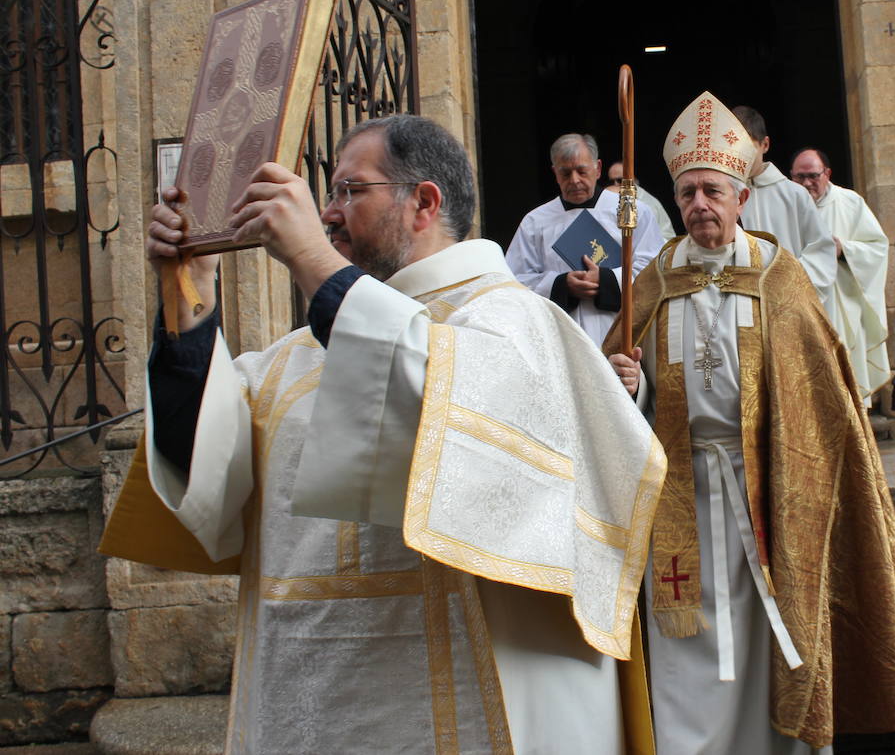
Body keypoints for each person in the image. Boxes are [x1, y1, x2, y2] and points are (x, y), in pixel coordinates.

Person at [104, 115, 665, 754]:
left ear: (424, 202)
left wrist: (311, 258)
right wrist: (189, 293)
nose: (328, 213)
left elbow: (437, 405)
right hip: (309, 707)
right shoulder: (291, 360)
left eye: (349, 191)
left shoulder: (519, 324)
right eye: (331, 193)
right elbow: (201, 469)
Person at [607, 91, 895, 754]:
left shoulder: (779, 277)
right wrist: (631, 383)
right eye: (687, 194)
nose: (699, 204)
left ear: (741, 198)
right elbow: (623, 390)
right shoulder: (652, 280)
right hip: (683, 490)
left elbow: (820, 398)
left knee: (773, 629)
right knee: (689, 637)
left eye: (711, 190)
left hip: (768, 486)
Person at [506, 132, 665, 344]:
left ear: (598, 168)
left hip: (620, 331)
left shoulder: (631, 211)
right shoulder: (535, 222)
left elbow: (654, 269)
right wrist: (562, 285)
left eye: (582, 171)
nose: (574, 180)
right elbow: (515, 281)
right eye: (565, 173)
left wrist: (607, 280)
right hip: (559, 337)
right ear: (555, 173)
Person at [790, 147, 891, 406]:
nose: (806, 183)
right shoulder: (786, 206)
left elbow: (877, 247)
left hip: (842, 307)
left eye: (813, 175)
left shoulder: (850, 202)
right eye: (799, 177)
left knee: (845, 389)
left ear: (827, 174)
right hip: (799, 306)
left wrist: (844, 249)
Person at [730, 106, 838, 320]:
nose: (740, 158)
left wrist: (783, 283)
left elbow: (821, 253)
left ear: (765, 144)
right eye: (734, 149)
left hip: (790, 306)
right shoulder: (724, 195)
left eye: (747, 149)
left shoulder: (794, 194)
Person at [607, 159, 676, 241]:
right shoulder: (613, 199)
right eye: (611, 182)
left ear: (632, 179)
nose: (615, 184)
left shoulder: (647, 202)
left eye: (619, 180)